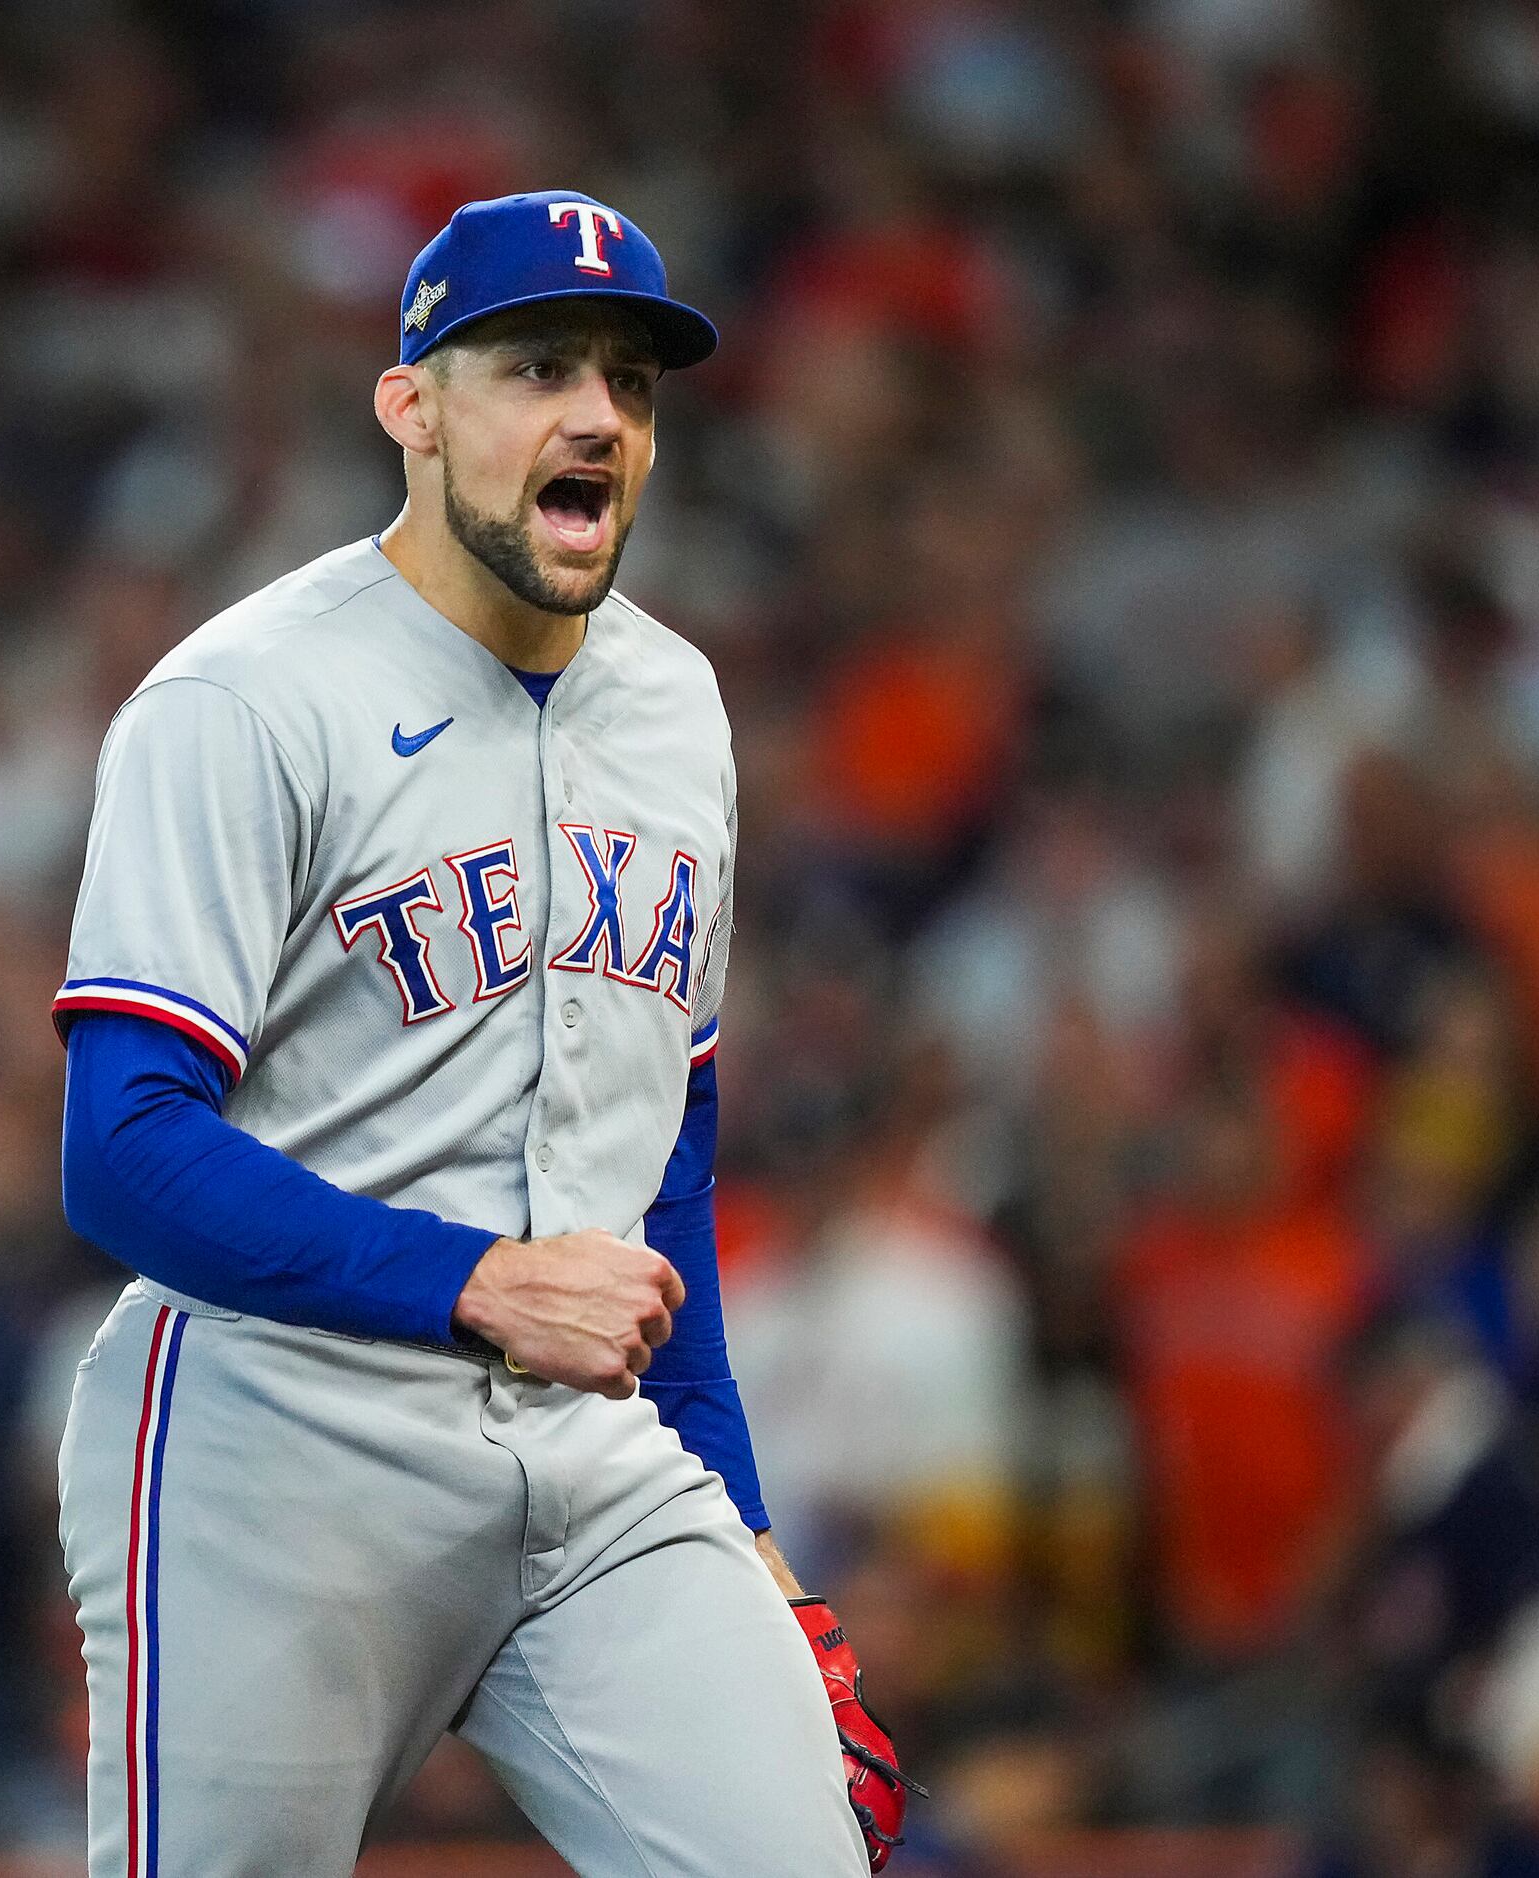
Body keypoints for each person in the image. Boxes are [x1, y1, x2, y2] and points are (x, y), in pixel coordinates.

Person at [48, 192, 910, 1878]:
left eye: (629, 380)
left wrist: (744, 1530)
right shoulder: (243, 699)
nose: (596, 412)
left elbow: (665, 1177)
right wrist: (472, 1278)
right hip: (274, 1441)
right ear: (413, 407)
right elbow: (121, 1145)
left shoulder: (679, 708)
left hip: (589, 1449)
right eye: (533, 367)